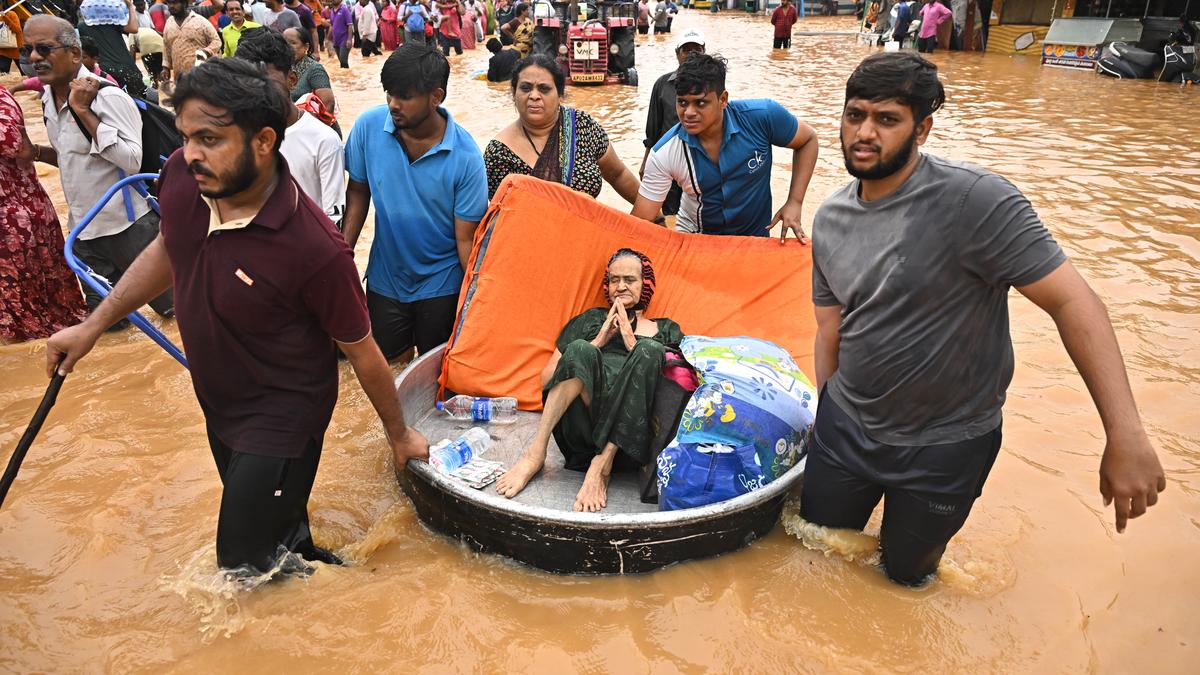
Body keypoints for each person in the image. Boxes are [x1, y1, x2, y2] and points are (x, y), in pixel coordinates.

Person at [44, 57, 430, 577]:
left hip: (282, 414)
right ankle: (318, 570)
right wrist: (92, 326)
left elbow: (363, 350)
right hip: (218, 395)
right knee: (275, 536)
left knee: (239, 567)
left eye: (209, 138)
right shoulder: (183, 176)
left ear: (264, 141)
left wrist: (399, 433)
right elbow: (168, 247)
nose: (191, 154)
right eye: (186, 136)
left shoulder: (314, 248)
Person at [804, 52, 1166, 586]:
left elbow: (1074, 302)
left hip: (947, 444)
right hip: (848, 428)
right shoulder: (830, 217)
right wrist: (825, 415)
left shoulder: (976, 201)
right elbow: (831, 328)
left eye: (887, 120)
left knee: (906, 579)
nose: (864, 132)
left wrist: (1125, 433)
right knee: (819, 553)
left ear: (922, 128)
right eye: (854, 115)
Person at [494, 249, 683, 512]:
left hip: (633, 443)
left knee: (650, 351)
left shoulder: (666, 330)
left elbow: (673, 394)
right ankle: (535, 454)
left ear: (646, 285)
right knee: (581, 349)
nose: (620, 286)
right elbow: (546, 379)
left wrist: (632, 343)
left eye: (630, 279)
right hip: (583, 434)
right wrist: (598, 341)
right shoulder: (589, 320)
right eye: (614, 280)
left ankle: (602, 465)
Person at [24, 15, 174, 327]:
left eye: (44, 49)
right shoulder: (48, 99)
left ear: (75, 54)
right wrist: (35, 153)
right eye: (29, 51)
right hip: (84, 233)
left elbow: (132, 160)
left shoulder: (107, 96)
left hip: (129, 228)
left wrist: (83, 111)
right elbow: (73, 159)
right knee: (107, 330)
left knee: (177, 315)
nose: (35, 58)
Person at [342, 45, 488, 362]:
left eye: (404, 96)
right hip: (385, 279)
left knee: (433, 372)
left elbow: (466, 239)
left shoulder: (466, 158)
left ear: (436, 96)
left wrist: (475, 302)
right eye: (389, 94)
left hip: (442, 283)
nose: (393, 104)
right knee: (391, 368)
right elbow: (357, 193)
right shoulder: (368, 128)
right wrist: (342, 254)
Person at [633, 53, 819, 240]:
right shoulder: (664, 152)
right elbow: (641, 221)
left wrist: (795, 202)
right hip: (697, 239)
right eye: (682, 102)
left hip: (754, 239)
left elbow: (808, 140)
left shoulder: (763, 117)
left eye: (700, 103)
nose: (688, 113)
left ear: (723, 99)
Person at [0, 85, 90, 342]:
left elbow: (12, 142)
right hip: (16, 216)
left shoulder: (2, 98)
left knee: (35, 318)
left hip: (15, 218)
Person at [485, 55, 639, 203]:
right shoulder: (499, 153)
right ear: (514, 93)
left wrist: (654, 217)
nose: (534, 96)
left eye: (544, 89)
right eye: (525, 88)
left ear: (560, 94)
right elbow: (498, 217)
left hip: (587, 228)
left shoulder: (582, 126)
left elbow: (618, 175)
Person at [236, 29, 345, 227]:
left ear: (292, 81)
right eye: (249, 84)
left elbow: (333, 219)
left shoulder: (323, 140)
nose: (259, 94)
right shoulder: (238, 137)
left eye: (268, 84)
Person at [640, 28, 703, 218]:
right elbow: (653, 128)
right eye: (686, 50)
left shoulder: (711, 87)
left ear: (704, 51)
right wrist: (646, 162)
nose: (692, 54)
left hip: (700, 162)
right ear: (677, 54)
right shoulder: (662, 84)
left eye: (696, 49)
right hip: (668, 163)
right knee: (668, 213)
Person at [77, 0, 147, 97]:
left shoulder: (82, 27)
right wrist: (130, 6)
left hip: (106, 71)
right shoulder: (113, 22)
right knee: (140, 101)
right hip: (128, 67)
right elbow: (134, 29)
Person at [11, 36, 120, 95]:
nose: (78, 60)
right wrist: (13, 89)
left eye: (84, 57)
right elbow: (36, 81)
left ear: (95, 59)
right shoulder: (61, 76)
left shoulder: (105, 82)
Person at [284, 26, 341, 136]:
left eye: (293, 43)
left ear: (306, 46)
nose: (287, 47)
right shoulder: (282, 68)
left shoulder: (315, 70)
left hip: (317, 133)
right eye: (284, 43)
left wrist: (315, 136)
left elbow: (328, 104)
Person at [161, 0, 221, 84]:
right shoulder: (169, 23)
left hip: (201, 76)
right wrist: (165, 68)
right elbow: (166, 46)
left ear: (185, 3)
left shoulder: (200, 21)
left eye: (175, 2)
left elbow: (216, 41)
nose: (171, 6)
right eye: (169, 3)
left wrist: (206, 52)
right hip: (180, 79)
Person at [128, 24, 165, 89]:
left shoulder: (131, 33)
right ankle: (167, 88)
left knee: (152, 74)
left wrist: (132, 66)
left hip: (147, 49)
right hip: (161, 47)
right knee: (161, 71)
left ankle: (154, 90)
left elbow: (132, 50)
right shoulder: (146, 29)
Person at [325, 0, 355, 66]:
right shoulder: (332, 11)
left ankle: (347, 75)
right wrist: (327, 39)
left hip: (344, 39)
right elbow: (332, 26)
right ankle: (344, 75)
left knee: (343, 61)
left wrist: (349, 40)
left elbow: (350, 25)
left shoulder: (345, 10)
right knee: (341, 62)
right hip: (336, 40)